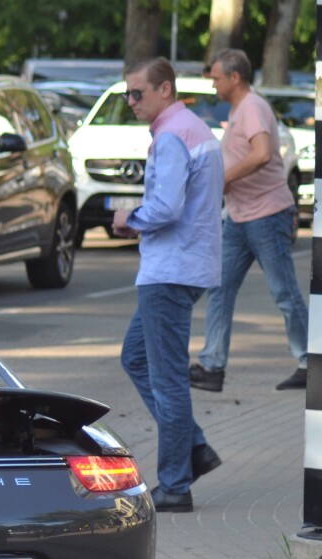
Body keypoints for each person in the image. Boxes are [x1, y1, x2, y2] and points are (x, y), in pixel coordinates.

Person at [112, 57, 224, 513]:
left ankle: (176, 484)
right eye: (128, 94)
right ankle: (193, 448)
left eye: (137, 93)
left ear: (165, 89)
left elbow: (166, 206)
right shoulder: (193, 127)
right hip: (186, 266)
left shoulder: (172, 135)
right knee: (136, 357)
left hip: (169, 270)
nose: (131, 102)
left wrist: (128, 219)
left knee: (168, 380)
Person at [189, 48, 308, 393]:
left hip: (267, 215)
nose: (212, 83)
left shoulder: (253, 107)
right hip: (240, 217)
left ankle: (309, 362)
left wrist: (223, 179)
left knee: (284, 291)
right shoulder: (240, 110)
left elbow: (262, 153)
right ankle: (212, 366)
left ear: (234, 77)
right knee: (220, 288)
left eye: (216, 77)